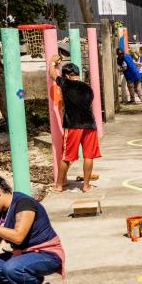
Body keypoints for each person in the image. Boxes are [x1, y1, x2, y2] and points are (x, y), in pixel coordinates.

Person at [48, 55, 100, 192]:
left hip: (73, 126)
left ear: (67, 75)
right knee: (88, 156)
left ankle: (59, 185)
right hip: (90, 125)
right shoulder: (88, 88)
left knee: (66, 156)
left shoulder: (66, 84)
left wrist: (53, 62)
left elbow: (52, 73)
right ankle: (86, 185)